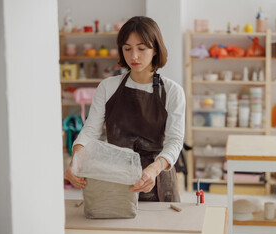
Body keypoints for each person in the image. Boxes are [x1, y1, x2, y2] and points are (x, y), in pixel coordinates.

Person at [64, 16, 185, 202]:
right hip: (116, 177)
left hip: (157, 179)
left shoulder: (172, 91)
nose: (133, 56)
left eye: (141, 49)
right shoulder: (107, 87)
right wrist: (76, 160)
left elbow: (174, 141)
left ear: (155, 50)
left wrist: (154, 169)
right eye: (127, 49)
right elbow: (90, 131)